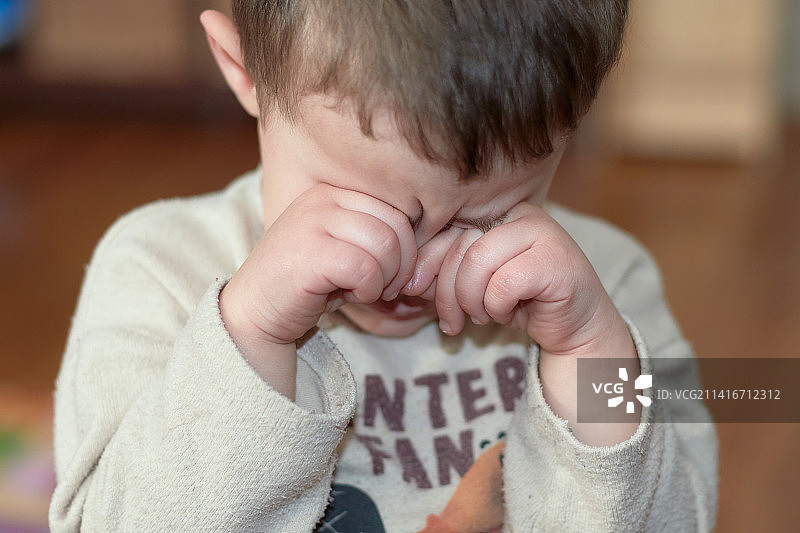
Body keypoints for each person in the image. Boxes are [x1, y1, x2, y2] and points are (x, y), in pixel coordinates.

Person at [49, 1, 718, 531]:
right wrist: (249, 337)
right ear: (243, 67)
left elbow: (677, 518)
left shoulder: (608, 284)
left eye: (485, 217)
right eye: (365, 210)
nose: (414, 269)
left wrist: (587, 351)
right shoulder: (158, 269)